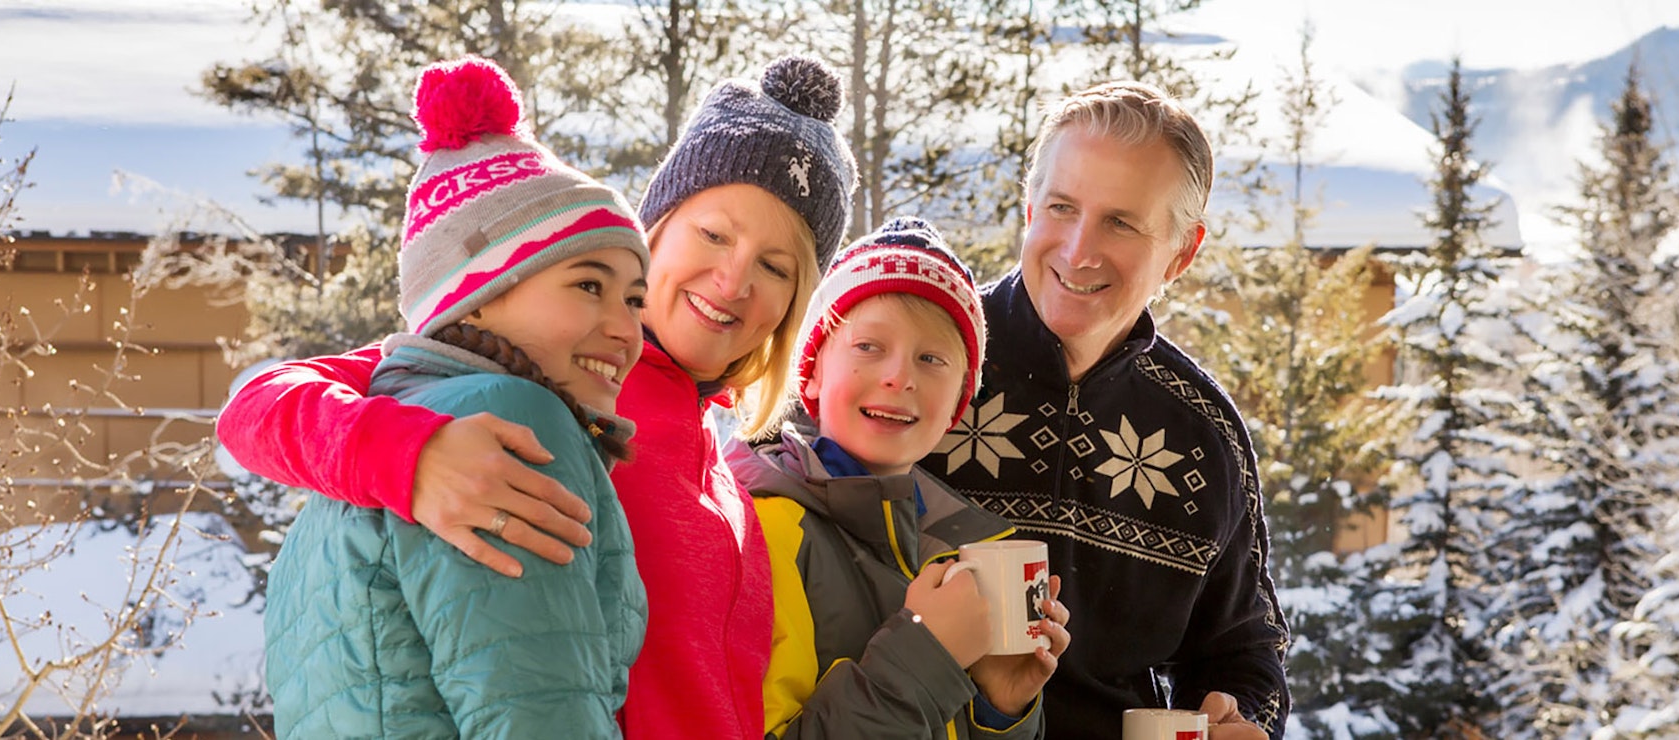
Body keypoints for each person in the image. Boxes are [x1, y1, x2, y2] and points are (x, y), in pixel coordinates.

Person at [222, 56, 857, 739]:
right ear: (656, 228)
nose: (734, 280)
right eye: (714, 234)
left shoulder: (724, 459)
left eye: (775, 266)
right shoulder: (541, 375)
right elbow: (259, 404)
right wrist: (415, 455)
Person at [262, 57, 648, 737]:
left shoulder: (344, 480)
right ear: (476, 299)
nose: (626, 329)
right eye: (589, 285)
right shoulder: (507, 421)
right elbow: (539, 716)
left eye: (635, 298)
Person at [923, 82, 1291, 739]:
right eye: (1063, 208)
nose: (1078, 249)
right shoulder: (918, 363)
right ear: (1030, 206)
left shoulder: (1204, 433)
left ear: (1183, 252)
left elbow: (1242, 649)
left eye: (1120, 222)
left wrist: (1241, 720)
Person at [728, 218, 1070, 739]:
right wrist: (925, 653)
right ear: (814, 371)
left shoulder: (966, 547)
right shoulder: (768, 531)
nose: (899, 377)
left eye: (931, 359)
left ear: (958, 401)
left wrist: (1000, 710)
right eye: (868, 347)